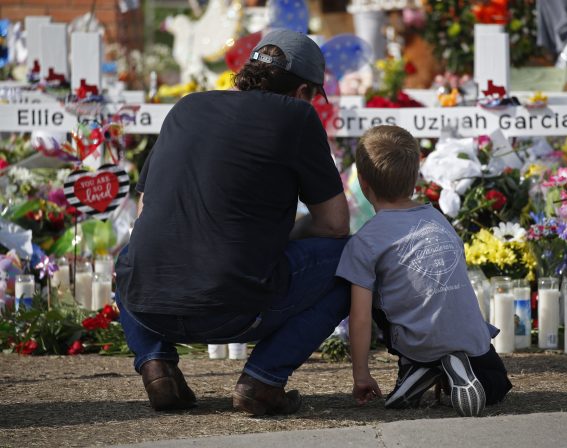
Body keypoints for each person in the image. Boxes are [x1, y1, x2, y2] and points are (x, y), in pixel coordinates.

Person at [114, 29, 351, 416]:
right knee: (353, 261)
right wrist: (285, 240)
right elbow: (334, 224)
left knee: (133, 256)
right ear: (305, 91)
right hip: (233, 307)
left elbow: (144, 214)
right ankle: (263, 380)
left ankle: (157, 366)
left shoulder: (186, 107)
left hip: (146, 305)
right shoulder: (297, 116)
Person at [335, 126, 512, 417]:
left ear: (363, 184)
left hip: (418, 340)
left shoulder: (366, 239)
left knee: (378, 294)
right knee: (493, 388)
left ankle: (420, 367)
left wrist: (361, 375)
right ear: (416, 177)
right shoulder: (439, 219)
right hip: (472, 338)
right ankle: (448, 367)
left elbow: (361, 316)